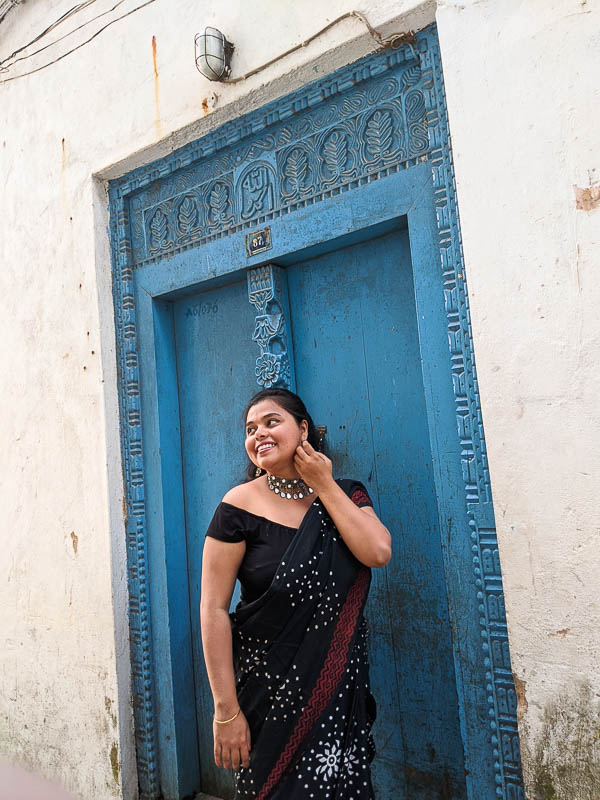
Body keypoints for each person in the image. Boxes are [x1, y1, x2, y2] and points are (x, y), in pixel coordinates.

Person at [200, 388, 392, 799]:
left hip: (335, 692)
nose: (258, 435)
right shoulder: (237, 507)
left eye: (272, 422)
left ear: (303, 429)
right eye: (250, 429)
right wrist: (225, 709)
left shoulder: (347, 494)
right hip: (266, 698)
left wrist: (323, 483)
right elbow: (214, 609)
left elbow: (377, 551)